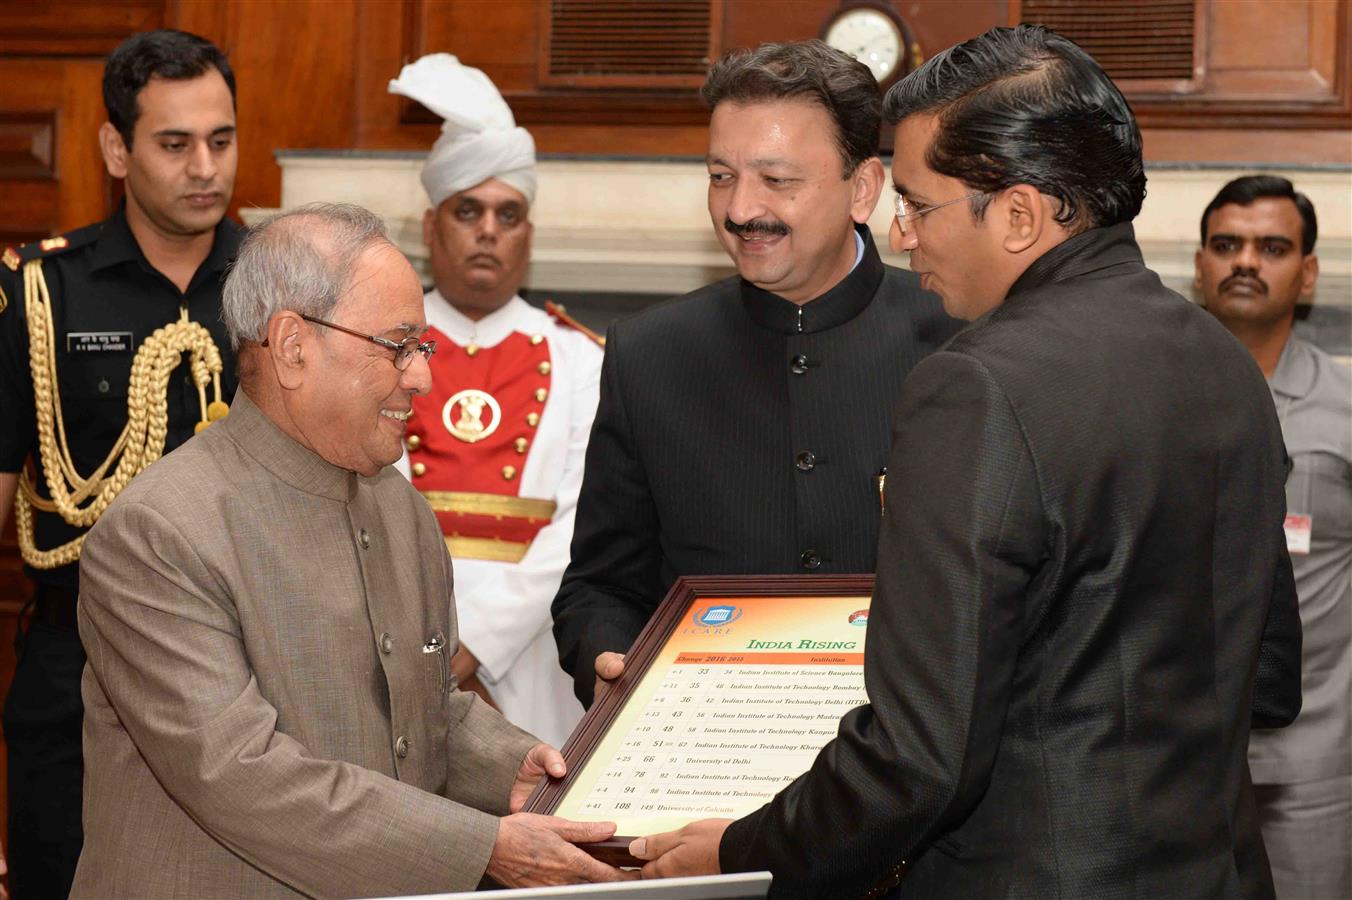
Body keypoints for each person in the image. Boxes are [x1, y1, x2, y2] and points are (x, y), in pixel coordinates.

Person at [631, 25, 1302, 898]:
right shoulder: (1223, 362)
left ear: (1019, 215)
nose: (903, 237)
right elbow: (1272, 678)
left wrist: (745, 851)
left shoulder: (974, 385)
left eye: (917, 203)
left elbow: (917, 758)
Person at [70, 203, 631, 897]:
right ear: (294, 346)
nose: (422, 377)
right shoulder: (158, 535)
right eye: (398, 345)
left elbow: (427, 709)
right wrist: (484, 846)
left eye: (421, 348)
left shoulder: (403, 514)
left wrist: (516, 768)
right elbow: (240, 773)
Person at [550, 40, 959, 708]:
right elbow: (601, 585)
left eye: (778, 180)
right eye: (720, 176)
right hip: (710, 749)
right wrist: (608, 662)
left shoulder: (959, 340)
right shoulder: (648, 355)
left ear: (862, 189)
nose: (741, 210)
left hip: (914, 765)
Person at [0, 29, 241, 898]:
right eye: (174, 144)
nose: (204, 166)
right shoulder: (40, 292)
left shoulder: (286, 284)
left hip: (252, 669)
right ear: (116, 148)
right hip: (80, 661)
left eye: (221, 140)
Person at [387, 55, 603, 748]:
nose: (487, 230)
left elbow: (583, 521)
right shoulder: (378, 346)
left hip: (533, 650)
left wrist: (475, 642)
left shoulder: (579, 358)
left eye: (508, 215)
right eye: (468, 211)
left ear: (528, 236)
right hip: (394, 638)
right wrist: (431, 640)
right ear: (430, 227)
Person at [1197, 175, 1351, 899]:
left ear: (1308, 272)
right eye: (1227, 245)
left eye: (1273, 247)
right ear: (1200, 267)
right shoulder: (1148, 398)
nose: (1246, 262)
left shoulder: (1345, 413)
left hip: (1309, 768)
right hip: (1174, 756)